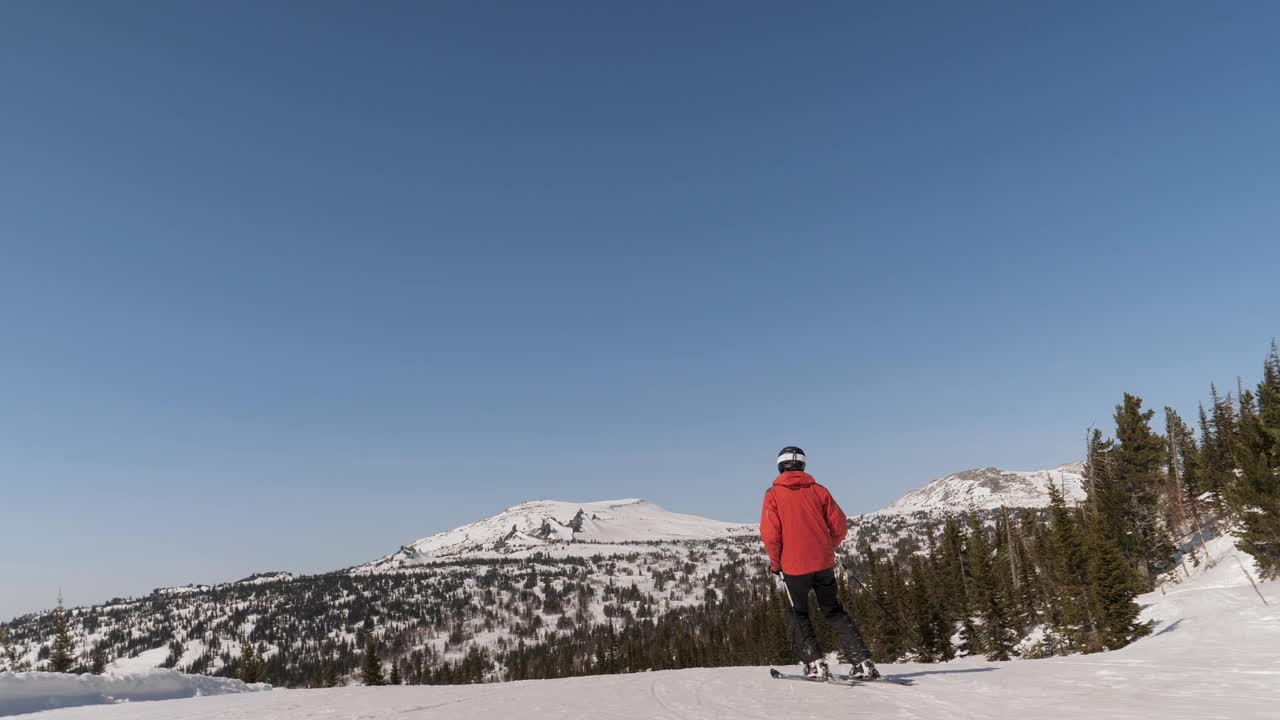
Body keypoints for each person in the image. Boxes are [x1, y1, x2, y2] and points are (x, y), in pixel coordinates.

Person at [760, 446, 879, 681]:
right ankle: (863, 662)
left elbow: (771, 534)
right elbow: (840, 526)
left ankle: (815, 663)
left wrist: (776, 564)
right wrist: (828, 546)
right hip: (823, 563)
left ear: (780, 466)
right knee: (833, 611)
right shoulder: (819, 491)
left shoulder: (773, 495)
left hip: (793, 568)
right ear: (803, 465)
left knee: (799, 614)